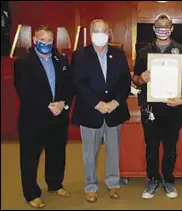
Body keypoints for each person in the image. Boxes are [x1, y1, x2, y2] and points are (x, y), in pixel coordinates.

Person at [132, 13, 182, 199]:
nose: (163, 30)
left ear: (172, 28)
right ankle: (153, 179)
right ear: (154, 28)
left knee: (170, 147)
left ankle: (168, 180)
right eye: (159, 26)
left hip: (172, 108)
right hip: (149, 109)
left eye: (166, 26)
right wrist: (140, 79)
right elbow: (135, 80)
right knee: (151, 146)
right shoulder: (143, 52)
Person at [71, 19, 131, 203]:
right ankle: (90, 186)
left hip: (114, 111)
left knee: (113, 150)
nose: (99, 34)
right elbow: (78, 83)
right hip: (90, 111)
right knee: (90, 153)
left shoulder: (118, 54)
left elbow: (125, 82)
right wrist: (97, 103)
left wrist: (115, 102)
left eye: (103, 30)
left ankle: (113, 184)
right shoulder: (80, 55)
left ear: (109, 32)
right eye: (96, 31)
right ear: (90, 33)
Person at [14, 25, 73, 208]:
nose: (46, 43)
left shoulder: (61, 59)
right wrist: (47, 106)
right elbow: (23, 90)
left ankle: (55, 184)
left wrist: (63, 103)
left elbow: (69, 86)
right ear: (34, 40)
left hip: (58, 117)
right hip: (33, 119)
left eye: (49, 40)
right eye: (42, 40)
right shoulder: (23, 62)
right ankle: (31, 193)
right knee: (30, 158)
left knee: (56, 154)